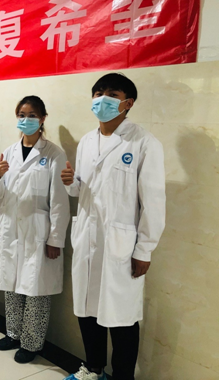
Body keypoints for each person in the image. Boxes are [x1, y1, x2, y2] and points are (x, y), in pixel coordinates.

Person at [61, 73, 165, 381]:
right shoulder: (87, 141)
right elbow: (83, 190)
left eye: (111, 94)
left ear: (127, 103)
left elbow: (153, 203)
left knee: (121, 316)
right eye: (98, 93)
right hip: (87, 239)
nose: (101, 99)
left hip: (120, 245)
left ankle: (122, 376)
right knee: (86, 309)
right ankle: (93, 368)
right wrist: (70, 183)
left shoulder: (144, 143)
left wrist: (144, 250)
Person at [0, 96, 69, 364]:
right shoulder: (9, 152)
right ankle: (13, 333)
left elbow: (59, 200)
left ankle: (32, 343)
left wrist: (55, 238)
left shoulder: (54, 154)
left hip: (38, 232)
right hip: (10, 228)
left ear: (43, 118)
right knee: (11, 283)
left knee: (35, 288)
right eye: (21, 115)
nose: (26, 119)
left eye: (32, 115)